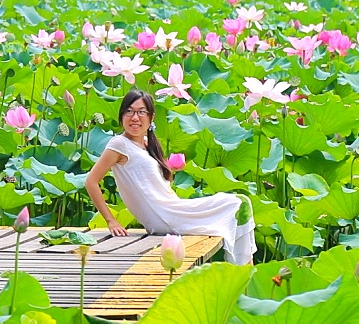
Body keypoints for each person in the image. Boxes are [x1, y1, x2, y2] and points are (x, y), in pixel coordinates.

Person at [83, 88, 255, 265]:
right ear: (121, 116)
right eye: (129, 111)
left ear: (151, 118)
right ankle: (243, 272)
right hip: (164, 217)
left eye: (141, 112)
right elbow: (91, 181)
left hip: (172, 210)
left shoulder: (147, 145)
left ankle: (243, 270)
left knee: (240, 204)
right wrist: (111, 220)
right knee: (238, 203)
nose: (135, 117)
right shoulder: (119, 144)